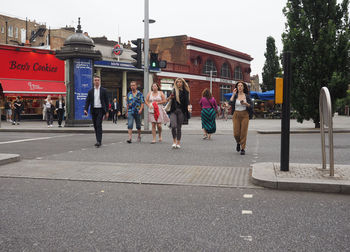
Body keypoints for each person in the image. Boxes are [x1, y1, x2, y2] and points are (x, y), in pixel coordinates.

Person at [84, 75, 109, 148]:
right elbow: (87, 101)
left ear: (100, 81)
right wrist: (85, 109)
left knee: (98, 124)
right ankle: (97, 139)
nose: (96, 81)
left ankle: (99, 141)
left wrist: (107, 112)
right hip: (93, 110)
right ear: (93, 81)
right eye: (95, 80)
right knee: (95, 125)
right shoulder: (90, 91)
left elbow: (107, 101)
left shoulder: (104, 90)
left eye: (98, 80)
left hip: (101, 109)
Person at [229, 81, 253, 155]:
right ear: (236, 87)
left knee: (243, 132)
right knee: (236, 133)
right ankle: (238, 142)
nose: (239, 87)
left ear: (243, 87)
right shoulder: (235, 96)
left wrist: (245, 103)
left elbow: (251, 106)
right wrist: (233, 94)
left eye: (241, 86)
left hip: (245, 115)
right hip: (236, 114)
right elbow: (230, 103)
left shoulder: (247, 96)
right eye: (238, 86)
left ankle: (243, 148)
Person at [169, 78, 191, 149]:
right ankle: (174, 141)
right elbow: (168, 99)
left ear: (182, 83)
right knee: (173, 126)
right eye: (177, 82)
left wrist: (189, 110)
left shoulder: (186, 92)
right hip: (173, 111)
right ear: (175, 83)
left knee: (179, 127)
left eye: (180, 82)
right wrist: (170, 97)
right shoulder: (173, 90)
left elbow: (187, 102)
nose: (179, 83)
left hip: (181, 111)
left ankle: (178, 142)